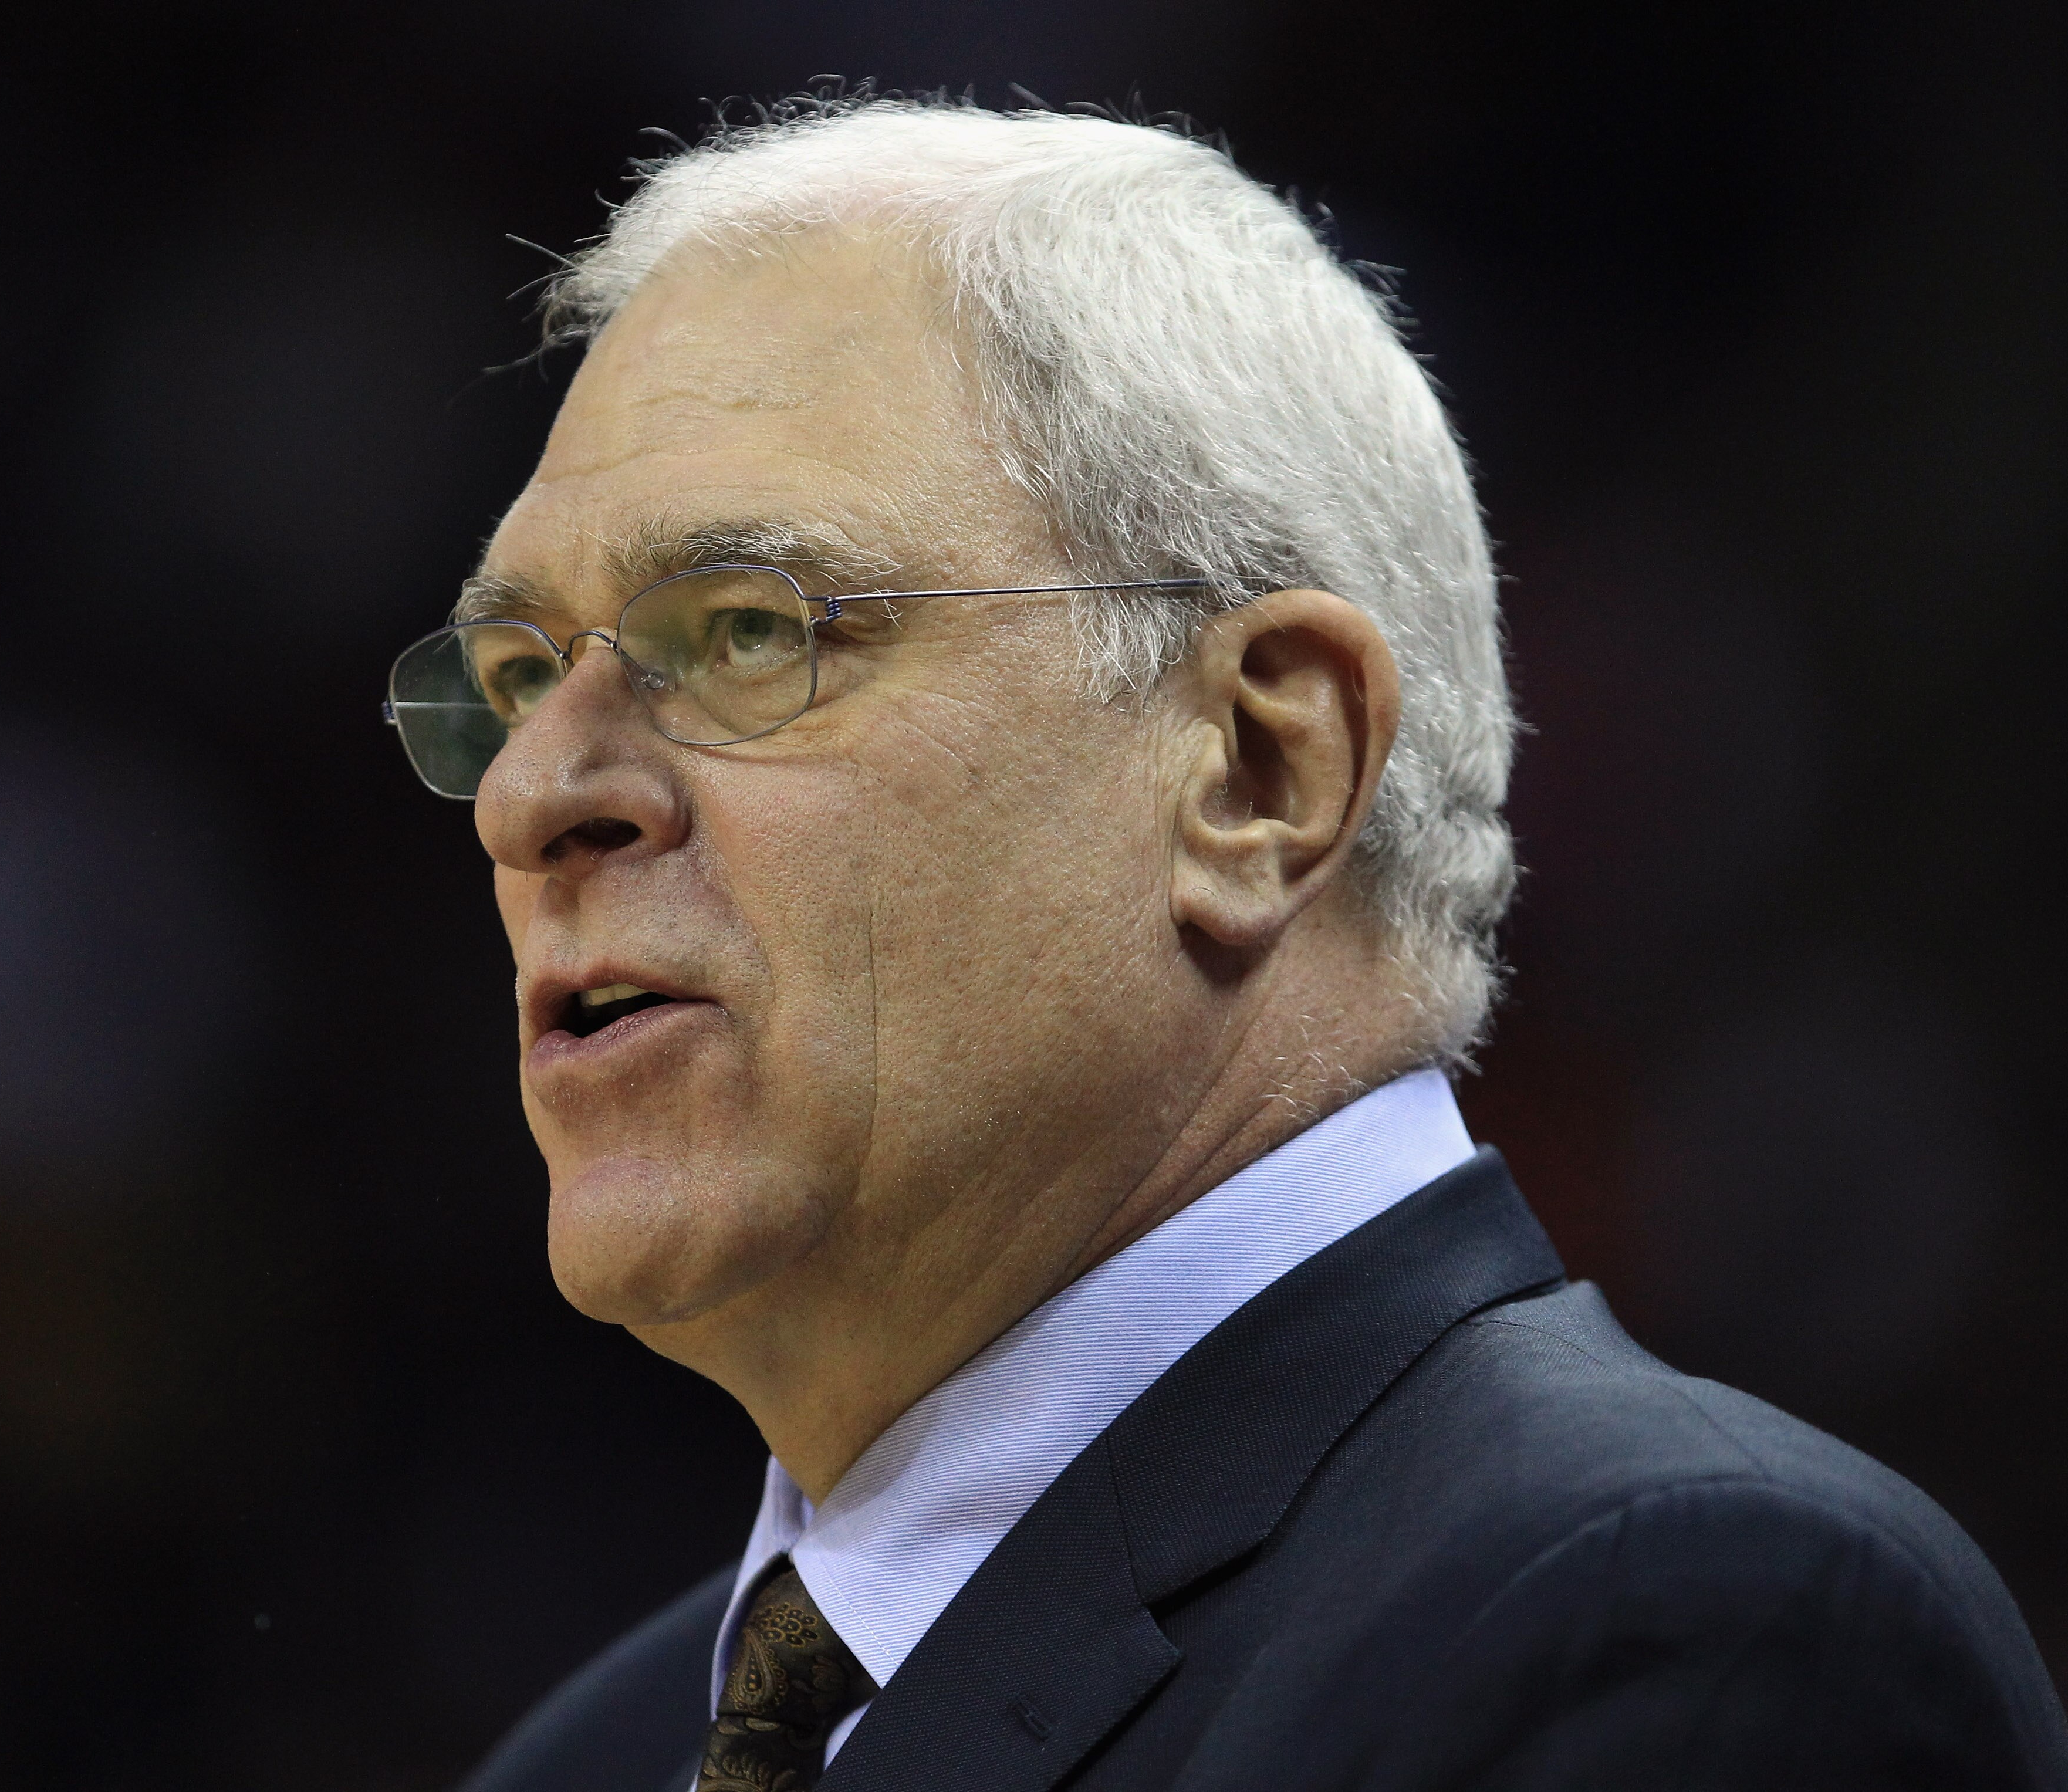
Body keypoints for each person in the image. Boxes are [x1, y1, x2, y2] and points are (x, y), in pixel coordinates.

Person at [380, 96, 2068, 1791]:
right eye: (520, 676)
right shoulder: (585, 1764)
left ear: (1261, 769)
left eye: (745, 630)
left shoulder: (1671, 1624)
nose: (533, 793)